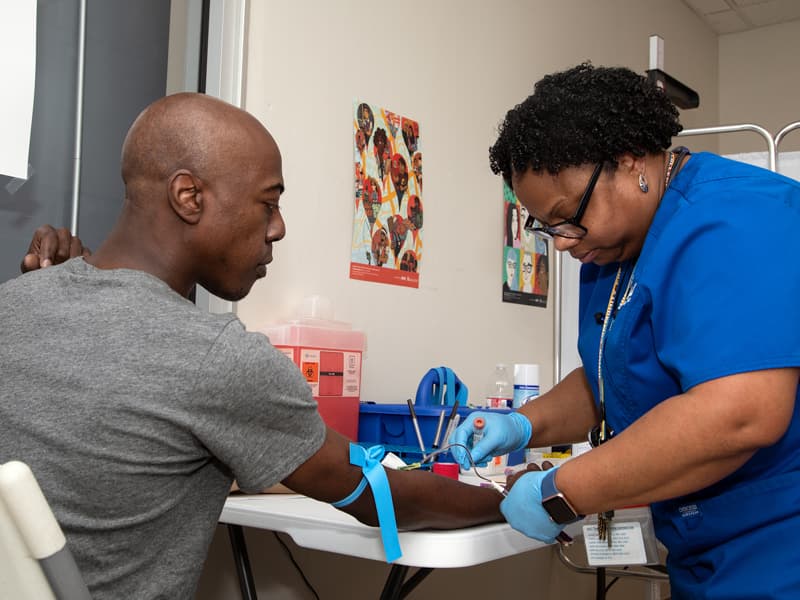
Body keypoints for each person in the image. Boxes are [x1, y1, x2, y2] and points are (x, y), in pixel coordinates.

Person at [3, 93, 503, 600]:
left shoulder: (13, 303)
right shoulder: (216, 357)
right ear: (188, 197)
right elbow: (379, 496)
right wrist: (514, 498)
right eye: (269, 203)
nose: (278, 228)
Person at [451, 63, 800, 599]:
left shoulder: (734, 220)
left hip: (779, 546)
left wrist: (561, 491)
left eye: (568, 217)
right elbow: (610, 379)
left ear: (630, 160)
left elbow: (741, 412)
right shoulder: (612, 252)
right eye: (548, 227)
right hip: (705, 550)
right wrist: (522, 425)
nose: (563, 243)